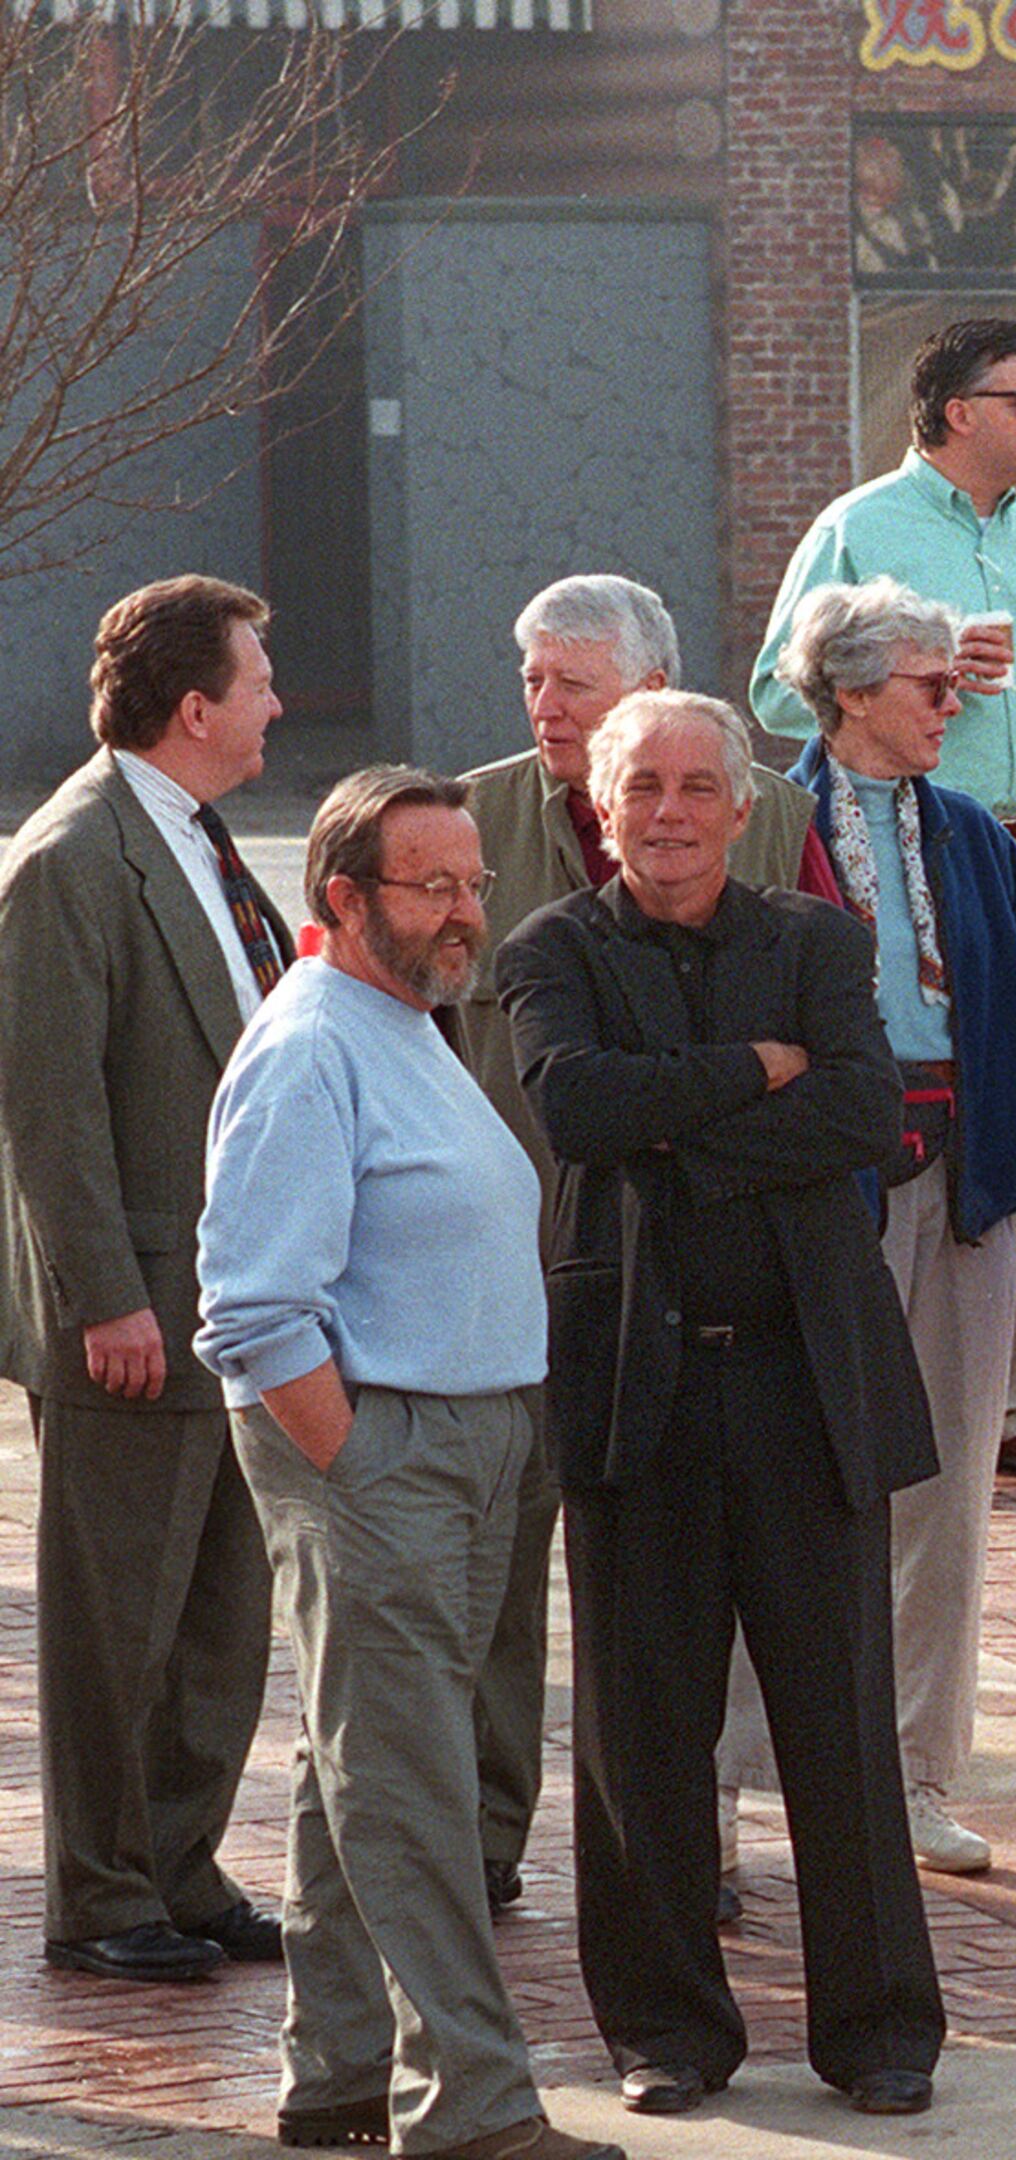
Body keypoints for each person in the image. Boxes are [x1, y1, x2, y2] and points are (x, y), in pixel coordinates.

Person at [505, 692, 945, 2120]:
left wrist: (673, 1128)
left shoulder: (819, 942)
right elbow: (575, 1108)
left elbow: (870, 1115)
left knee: (841, 1723)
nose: (674, 812)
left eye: (700, 786)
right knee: (643, 1735)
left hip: (805, 1381)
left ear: (742, 806)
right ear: (605, 806)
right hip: (636, 1384)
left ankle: (879, 2033)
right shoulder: (551, 950)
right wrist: (755, 1078)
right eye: (647, 788)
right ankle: (669, 2035)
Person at [193, 767, 617, 2160]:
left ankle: (342, 2074)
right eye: (430, 887)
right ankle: (476, 2111)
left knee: (355, 1764)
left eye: (472, 884)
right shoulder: (310, 1043)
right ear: (344, 898)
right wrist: (360, 1467)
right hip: (388, 1451)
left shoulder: (405, 1019)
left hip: (465, 1443)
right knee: (416, 1783)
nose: (463, 914)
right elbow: (253, 1308)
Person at [456, 571, 821, 1912]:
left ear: (656, 693)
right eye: (533, 680)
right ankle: (483, 1837)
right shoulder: (467, 822)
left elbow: (840, 1061)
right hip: (508, 1263)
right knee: (500, 1566)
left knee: (682, 1584)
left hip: (699, 1269)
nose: (545, 706)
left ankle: (696, 1841)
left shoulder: (771, 815)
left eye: (574, 683)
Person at [740, 576, 1016, 1878]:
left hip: (962, 1192)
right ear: (850, 692)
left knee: (944, 1493)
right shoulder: (768, 822)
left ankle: (916, 1774)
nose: (956, 704)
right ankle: (728, 1781)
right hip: (810, 1194)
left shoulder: (972, 834)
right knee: (778, 1481)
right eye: (933, 685)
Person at [750, 314, 1016, 1487]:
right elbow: (773, 687)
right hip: (924, 859)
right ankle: (900, 1382)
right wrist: (933, 658)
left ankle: (1006, 1403)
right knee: (917, 1118)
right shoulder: (861, 527)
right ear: (960, 412)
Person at [0, 575, 287, 1983]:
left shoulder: (194, 836)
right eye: (260, 678)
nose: (279, 700)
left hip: (237, 1309)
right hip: (137, 1324)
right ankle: (103, 1897)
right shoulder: (70, 858)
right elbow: (48, 1112)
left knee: (224, 1611)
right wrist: (105, 1298)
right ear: (194, 708)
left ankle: (181, 1868)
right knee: (118, 1622)